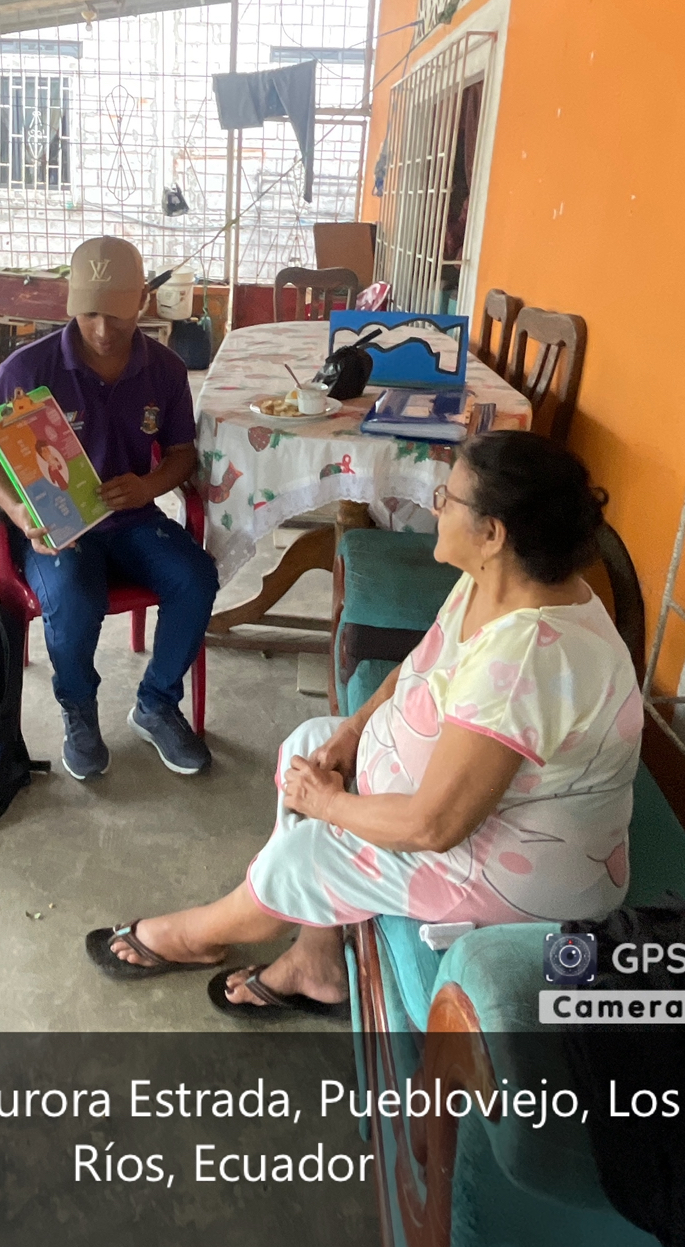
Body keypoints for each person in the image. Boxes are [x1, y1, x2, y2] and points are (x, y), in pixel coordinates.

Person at [87, 431, 643, 1017]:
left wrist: (330, 805)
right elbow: (422, 664)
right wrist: (355, 731)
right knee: (311, 745)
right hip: (460, 808)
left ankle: (195, 935)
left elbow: (433, 826)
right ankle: (316, 957)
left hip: (517, 876)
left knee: (305, 857)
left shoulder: (527, 657)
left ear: (492, 532)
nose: (435, 507)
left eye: (447, 499)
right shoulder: (500, 579)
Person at [0, 236, 218, 782]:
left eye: (118, 315)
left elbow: (181, 454)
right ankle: (79, 711)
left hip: (132, 519)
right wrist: (19, 513)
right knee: (74, 596)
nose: (104, 330)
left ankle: (156, 703)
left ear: (143, 302)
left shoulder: (165, 369)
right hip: (59, 527)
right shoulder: (28, 368)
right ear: (70, 305)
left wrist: (148, 486)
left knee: (196, 577)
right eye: (89, 315)